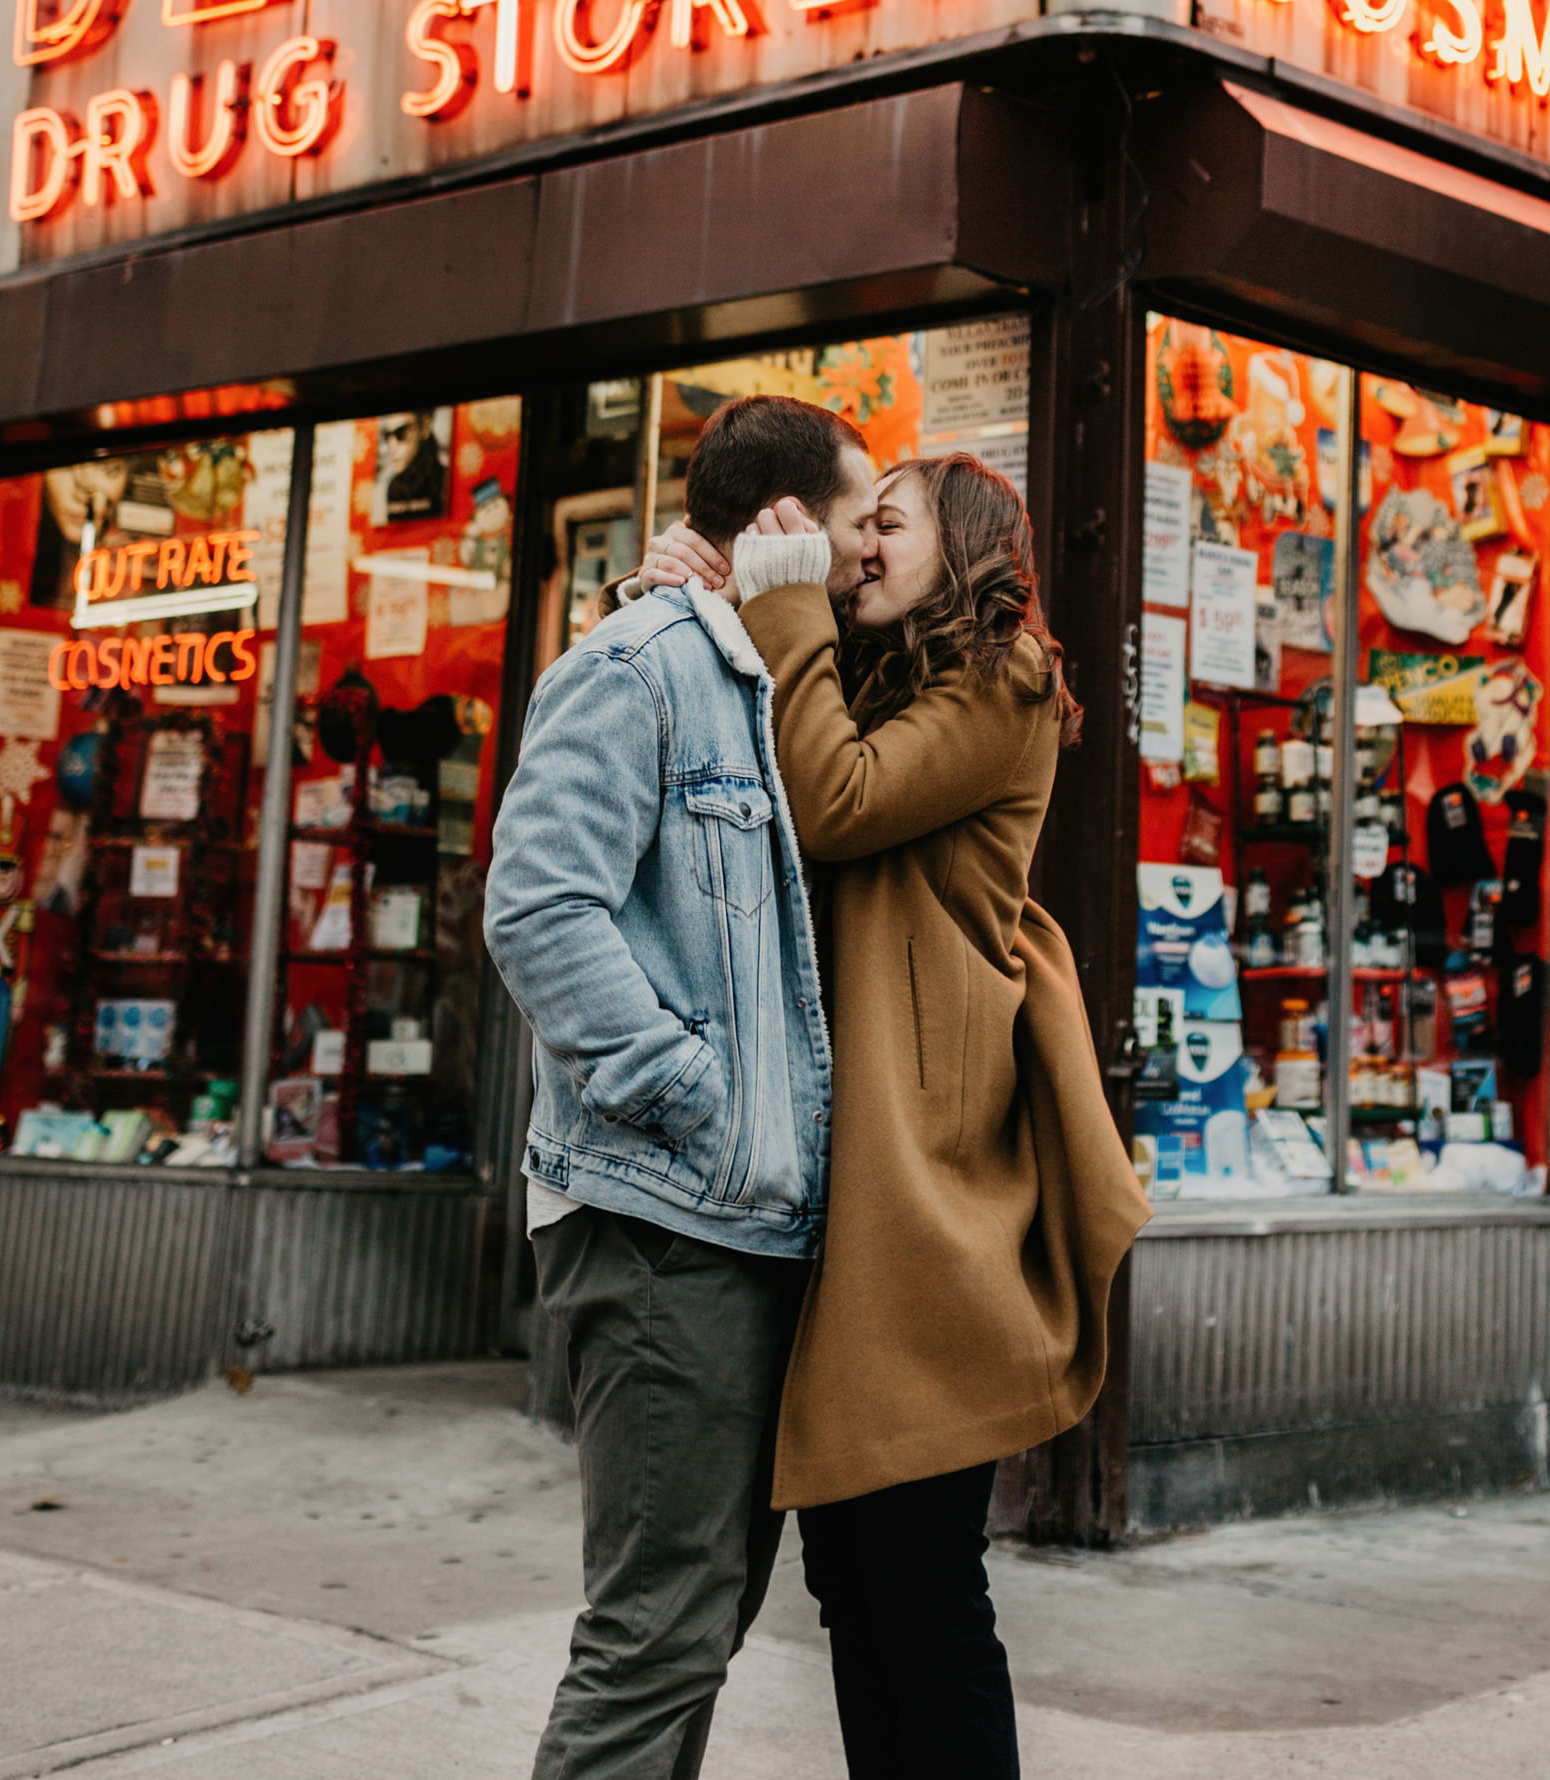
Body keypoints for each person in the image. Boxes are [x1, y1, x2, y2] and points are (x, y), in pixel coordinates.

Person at [637, 454, 1149, 1780]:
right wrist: (689, 602)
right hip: (834, 1166)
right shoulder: (865, 684)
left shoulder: (1005, 681)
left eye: (888, 523)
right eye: (853, 525)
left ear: (964, 547)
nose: (858, 544)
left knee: (921, 1588)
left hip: (928, 1188)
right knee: (852, 1588)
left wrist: (790, 606)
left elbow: (833, 800)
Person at [483, 394, 880, 1780]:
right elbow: (538, 909)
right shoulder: (640, 664)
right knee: (655, 1636)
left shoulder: (774, 672)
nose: (865, 548)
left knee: (697, 1623)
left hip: (745, 1228)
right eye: (852, 519)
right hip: (665, 1226)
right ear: (782, 523)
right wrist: (693, 1092)